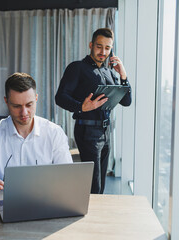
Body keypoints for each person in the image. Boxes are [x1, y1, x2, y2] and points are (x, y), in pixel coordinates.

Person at [0, 72, 73, 199]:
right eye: (17, 106)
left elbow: (67, 177)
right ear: (6, 101)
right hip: (5, 202)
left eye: (29, 105)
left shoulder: (54, 133)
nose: (24, 113)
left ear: (36, 98)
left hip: (47, 200)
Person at [55, 28, 132, 194]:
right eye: (99, 46)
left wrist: (123, 76)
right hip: (87, 130)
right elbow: (60, 97)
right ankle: (88, 218)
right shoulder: (77, 68)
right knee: (94, 186)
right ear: (91, 45)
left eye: (107, 48)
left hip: (106, 132)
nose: (102, 51)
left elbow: (126, 101)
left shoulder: (110, 73)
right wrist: (81, 107)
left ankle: (98, 216)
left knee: (101, 185)